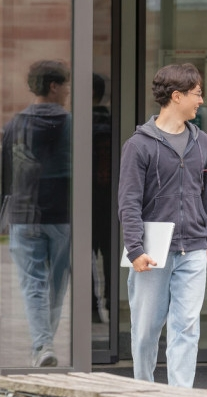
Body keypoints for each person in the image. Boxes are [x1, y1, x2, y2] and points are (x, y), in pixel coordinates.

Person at [118, 63, 207, 388]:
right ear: (177, 96)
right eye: (197, 94)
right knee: (146, 329)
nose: (201, 101)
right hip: (152, 252)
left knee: (187, 326)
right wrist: (135, 249)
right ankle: (143, 389)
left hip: (193, 247)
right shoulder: (138, 145)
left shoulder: (202, 142)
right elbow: (128, 201)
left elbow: (206, 195)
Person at [1, 59, 72, 367]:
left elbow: (5, 173)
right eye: (66, 84)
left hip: (25, 214)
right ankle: (44, 344)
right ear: (54, 86)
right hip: (62, 214)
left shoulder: (16, 124)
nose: (69, 91)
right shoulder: (71, 123)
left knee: (33, 283)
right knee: (56, 285)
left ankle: (43, 345)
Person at [91, 72, 112, 325]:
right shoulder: (112, 122)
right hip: (109, 197)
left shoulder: (77, 123)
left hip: (87, 197)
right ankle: (109, 304)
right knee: (107, 252)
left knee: (85, 255)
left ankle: (93, 309)